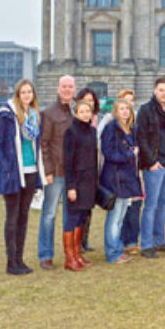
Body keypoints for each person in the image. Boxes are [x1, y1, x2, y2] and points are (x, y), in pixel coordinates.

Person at [0, 79, 44, 275]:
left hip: (31, 172)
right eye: (23, 92)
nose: (27, 95)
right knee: (12, 218)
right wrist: (6, 167)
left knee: (23, 218)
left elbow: (37, 147)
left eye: (29, 92)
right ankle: (11, 262)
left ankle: (20, 260)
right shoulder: (6, 116)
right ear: (17, 94)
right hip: (14, 174)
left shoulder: (35, 116)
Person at [137, 77, 165, 259]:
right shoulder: (146, 110)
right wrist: (151, 161)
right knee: (151, 206)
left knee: (164, 205)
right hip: (155, 165)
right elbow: (142, 137)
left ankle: (160, 240)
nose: (164, 93)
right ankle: (147, 244)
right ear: (155, 90)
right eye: (161, 90)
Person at [38, 75, 76, 270]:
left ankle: (71, 253)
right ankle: (45, 254)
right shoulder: (49, 113)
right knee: (49, 214)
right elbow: (44, 143)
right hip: (57, 172)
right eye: (64, 86)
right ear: (58, 88)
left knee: (70, 215)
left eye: (70, 86)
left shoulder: (78, 110)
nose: (67, 90)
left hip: (73, 173)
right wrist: (48, 170)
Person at [100, 99, 141, 265]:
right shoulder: (111, 129)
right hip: (115, 178)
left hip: (128, 178)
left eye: (127, 109)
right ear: (115, 111)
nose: (125, 112)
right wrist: (129, 155)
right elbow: (108, 153)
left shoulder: (132, 129)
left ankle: (118, 249)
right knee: (114, 217)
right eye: (121, 109)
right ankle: (112, 252)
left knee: (121, 216)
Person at [62, 99, 99, 271]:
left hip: (89, 182)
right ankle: (69, 258)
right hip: (76, 182)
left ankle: (78, 253)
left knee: (82, 217)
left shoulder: (92, 131)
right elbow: (68, 162)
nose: (85, 114)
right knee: (72, 218)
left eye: (88, 111)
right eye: (82, 111)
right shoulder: (71, 132)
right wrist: (71, 186)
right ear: (76, 113)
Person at [73, 86, 100, 252]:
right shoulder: (75, 124)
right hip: (79, 173)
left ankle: (84, 240)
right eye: (86, 100)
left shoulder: (95, 121)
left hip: (92, 171)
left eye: (91, 101)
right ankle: (76, 244)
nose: (89, 104)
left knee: (89, 209)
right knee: (79, 210)